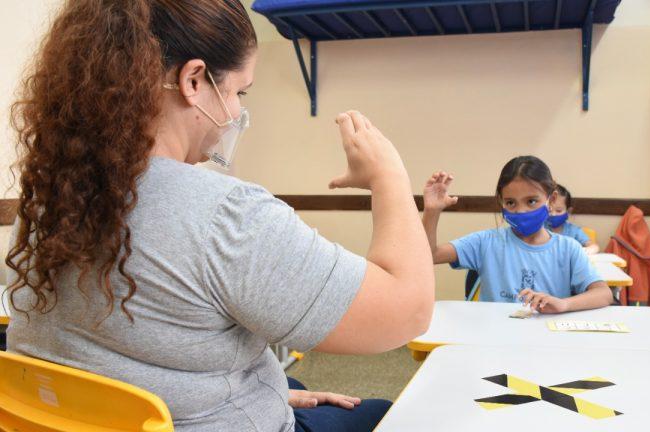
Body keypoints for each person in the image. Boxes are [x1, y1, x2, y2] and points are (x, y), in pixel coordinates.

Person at [5, 1, 434, 431]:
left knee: (294, 379)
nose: (235, 112)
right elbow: (407, 312)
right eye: (238, 92)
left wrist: (266, 389)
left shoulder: (48, 196)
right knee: (383, 413)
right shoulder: (226, 218)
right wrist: (388, 175)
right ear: (193, 79)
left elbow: (120, 351)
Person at [421, 156, 612, 312]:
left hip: (546, 341)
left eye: (531, 201)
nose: (520, 211)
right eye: (511, 203)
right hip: (493, 340)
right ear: (501, 202)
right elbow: (429, 255)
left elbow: (603, 294)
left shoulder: (568, 248)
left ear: (551, 199)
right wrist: (432, 211)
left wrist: (564, 304)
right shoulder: (485, 242)